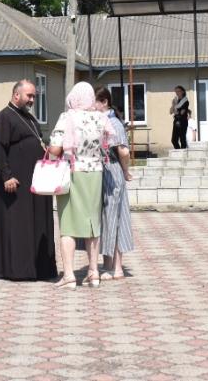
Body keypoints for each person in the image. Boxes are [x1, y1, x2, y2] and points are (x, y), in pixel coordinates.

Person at [0, 80, 56, 282]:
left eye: (34, 96)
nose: (32, 100)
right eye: (29, 96)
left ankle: (39, 268)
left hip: (34, 180)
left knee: (37, 223)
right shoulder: (3, 118)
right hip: (15, 182)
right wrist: (6, 175)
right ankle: (18, 269)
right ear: (16, 95)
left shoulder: (29, 118)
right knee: (19, 225)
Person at [49, 81, 112, 289]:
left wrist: (49, 150)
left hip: (72, 173)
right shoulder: (101, 117)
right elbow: (106, 145)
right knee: (93, 224)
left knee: (68, 224)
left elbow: (55, 149)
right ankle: (93, 273)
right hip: (96, 173)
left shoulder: (68, 117)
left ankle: (69, 275)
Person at [96, 88, 136, 281]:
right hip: (104, 171)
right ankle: (108, 264)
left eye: (94, 102)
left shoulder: (114, 123)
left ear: (104, 102)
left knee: (115, 218)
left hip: (112, 171)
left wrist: (125, 171)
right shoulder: (102, 120)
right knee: (106, 218)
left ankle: (117, 267)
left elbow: (124, 151)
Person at [169, 86, 190, 150]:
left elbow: (181, 113)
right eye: (176, 91)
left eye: (178, 91)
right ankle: (179, 152)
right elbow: (170, 112)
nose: (177, 93)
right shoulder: (176, 101)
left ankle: (183, 153)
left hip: (182, 121)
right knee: (174, 140)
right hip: (176, 121)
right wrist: (173, 105)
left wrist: (176, 111)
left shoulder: (185, 101)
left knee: (182, 139)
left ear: (182, 92)